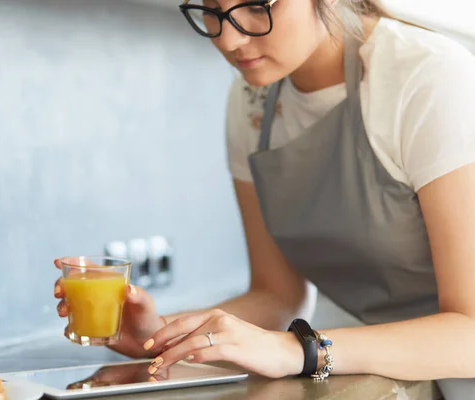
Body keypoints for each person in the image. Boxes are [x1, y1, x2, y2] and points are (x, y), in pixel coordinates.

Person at [54, 0, 475, 398]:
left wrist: (299, 350)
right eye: (212, 10)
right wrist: (159, 334)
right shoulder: (252, 101)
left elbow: (469, 333)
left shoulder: (427, 77)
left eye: (257, 5)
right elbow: (276, 296)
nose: (228, 40)